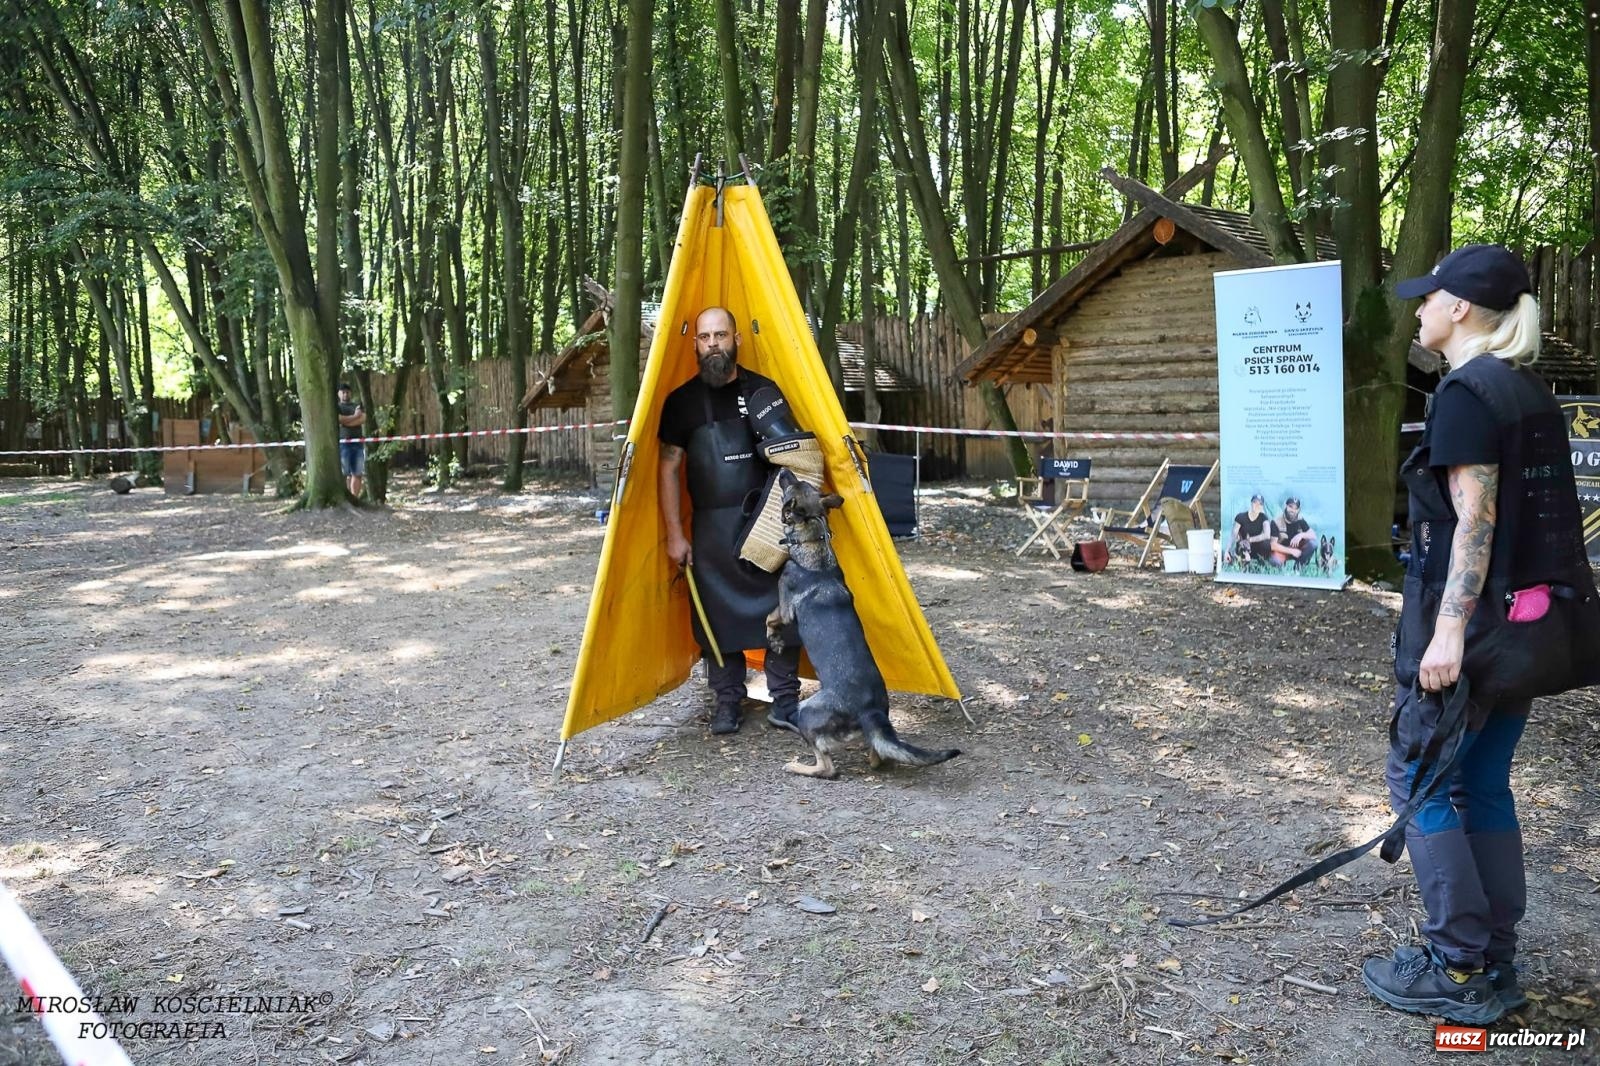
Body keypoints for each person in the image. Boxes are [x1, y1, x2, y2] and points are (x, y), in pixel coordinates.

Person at [1362, 244, 1587, 1025]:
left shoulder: (1466, 392)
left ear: (1459, 308)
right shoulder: (1527, 390)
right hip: (1524, 633)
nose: (1418, 309)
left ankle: (1457, 966)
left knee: (1418, 780)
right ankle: (1495, 956)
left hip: (1474, 632)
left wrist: (1447, 634)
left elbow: (1474, 526)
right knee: (1481, 782)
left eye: (1428, 298)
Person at [658, 307, 802, 735]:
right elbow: (668, 468)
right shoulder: (680, 402)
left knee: (780, 613)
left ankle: (785, 701)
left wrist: (787, 526)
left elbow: (794, 460)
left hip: (765, 523)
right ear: (695, 344)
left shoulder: (764, 393)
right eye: (705, 337)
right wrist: (675, 534)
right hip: (711, 532)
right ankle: (727, 701)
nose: (713, 343)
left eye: (721, 335)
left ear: (737, 338)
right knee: (715, 620)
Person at [1268, 497, 1316, 568]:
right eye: (1290, 507)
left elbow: (1313, 535)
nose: (1293, 510)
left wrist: (1301, 535)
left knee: (1313, 543)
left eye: (1295, 508)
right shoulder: (1275, 522)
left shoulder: (1300, 520)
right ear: (1286, 506)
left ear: (1298, 510)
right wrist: (1291, 551)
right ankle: (1282, 572)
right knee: (1275, 561)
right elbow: (1273, 545)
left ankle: (1299, 568)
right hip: (1282, 550)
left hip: (1297, 549)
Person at [336, 383, 365, 498]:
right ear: (339, 394)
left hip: (357, 443)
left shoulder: (356, 405)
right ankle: (346, 497)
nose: (345, 394)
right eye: (343, 392)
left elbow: (362, 419)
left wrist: (349, 421)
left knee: (357, 473)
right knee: (345, 473)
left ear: (350, 393)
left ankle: (355, 498)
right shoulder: (337, 407)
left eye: (347, 392)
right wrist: (354, 417)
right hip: (344, 443)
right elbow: (340, 420)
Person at [1228, 493, 1271, 564]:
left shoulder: (1263, 517)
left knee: (1266, 544)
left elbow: (1267, 535)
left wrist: (1250, 540)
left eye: (1260, 504)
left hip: (1255, 546)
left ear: (1262, 506)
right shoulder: (1240, 516)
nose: (1257, 505)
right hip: (1243, 545)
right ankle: (1241, 559)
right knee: (1239, 547)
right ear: (1251, 503)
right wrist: (1227, 550)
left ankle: (1262, 562)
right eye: (1255, 502)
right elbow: (1233, 534)